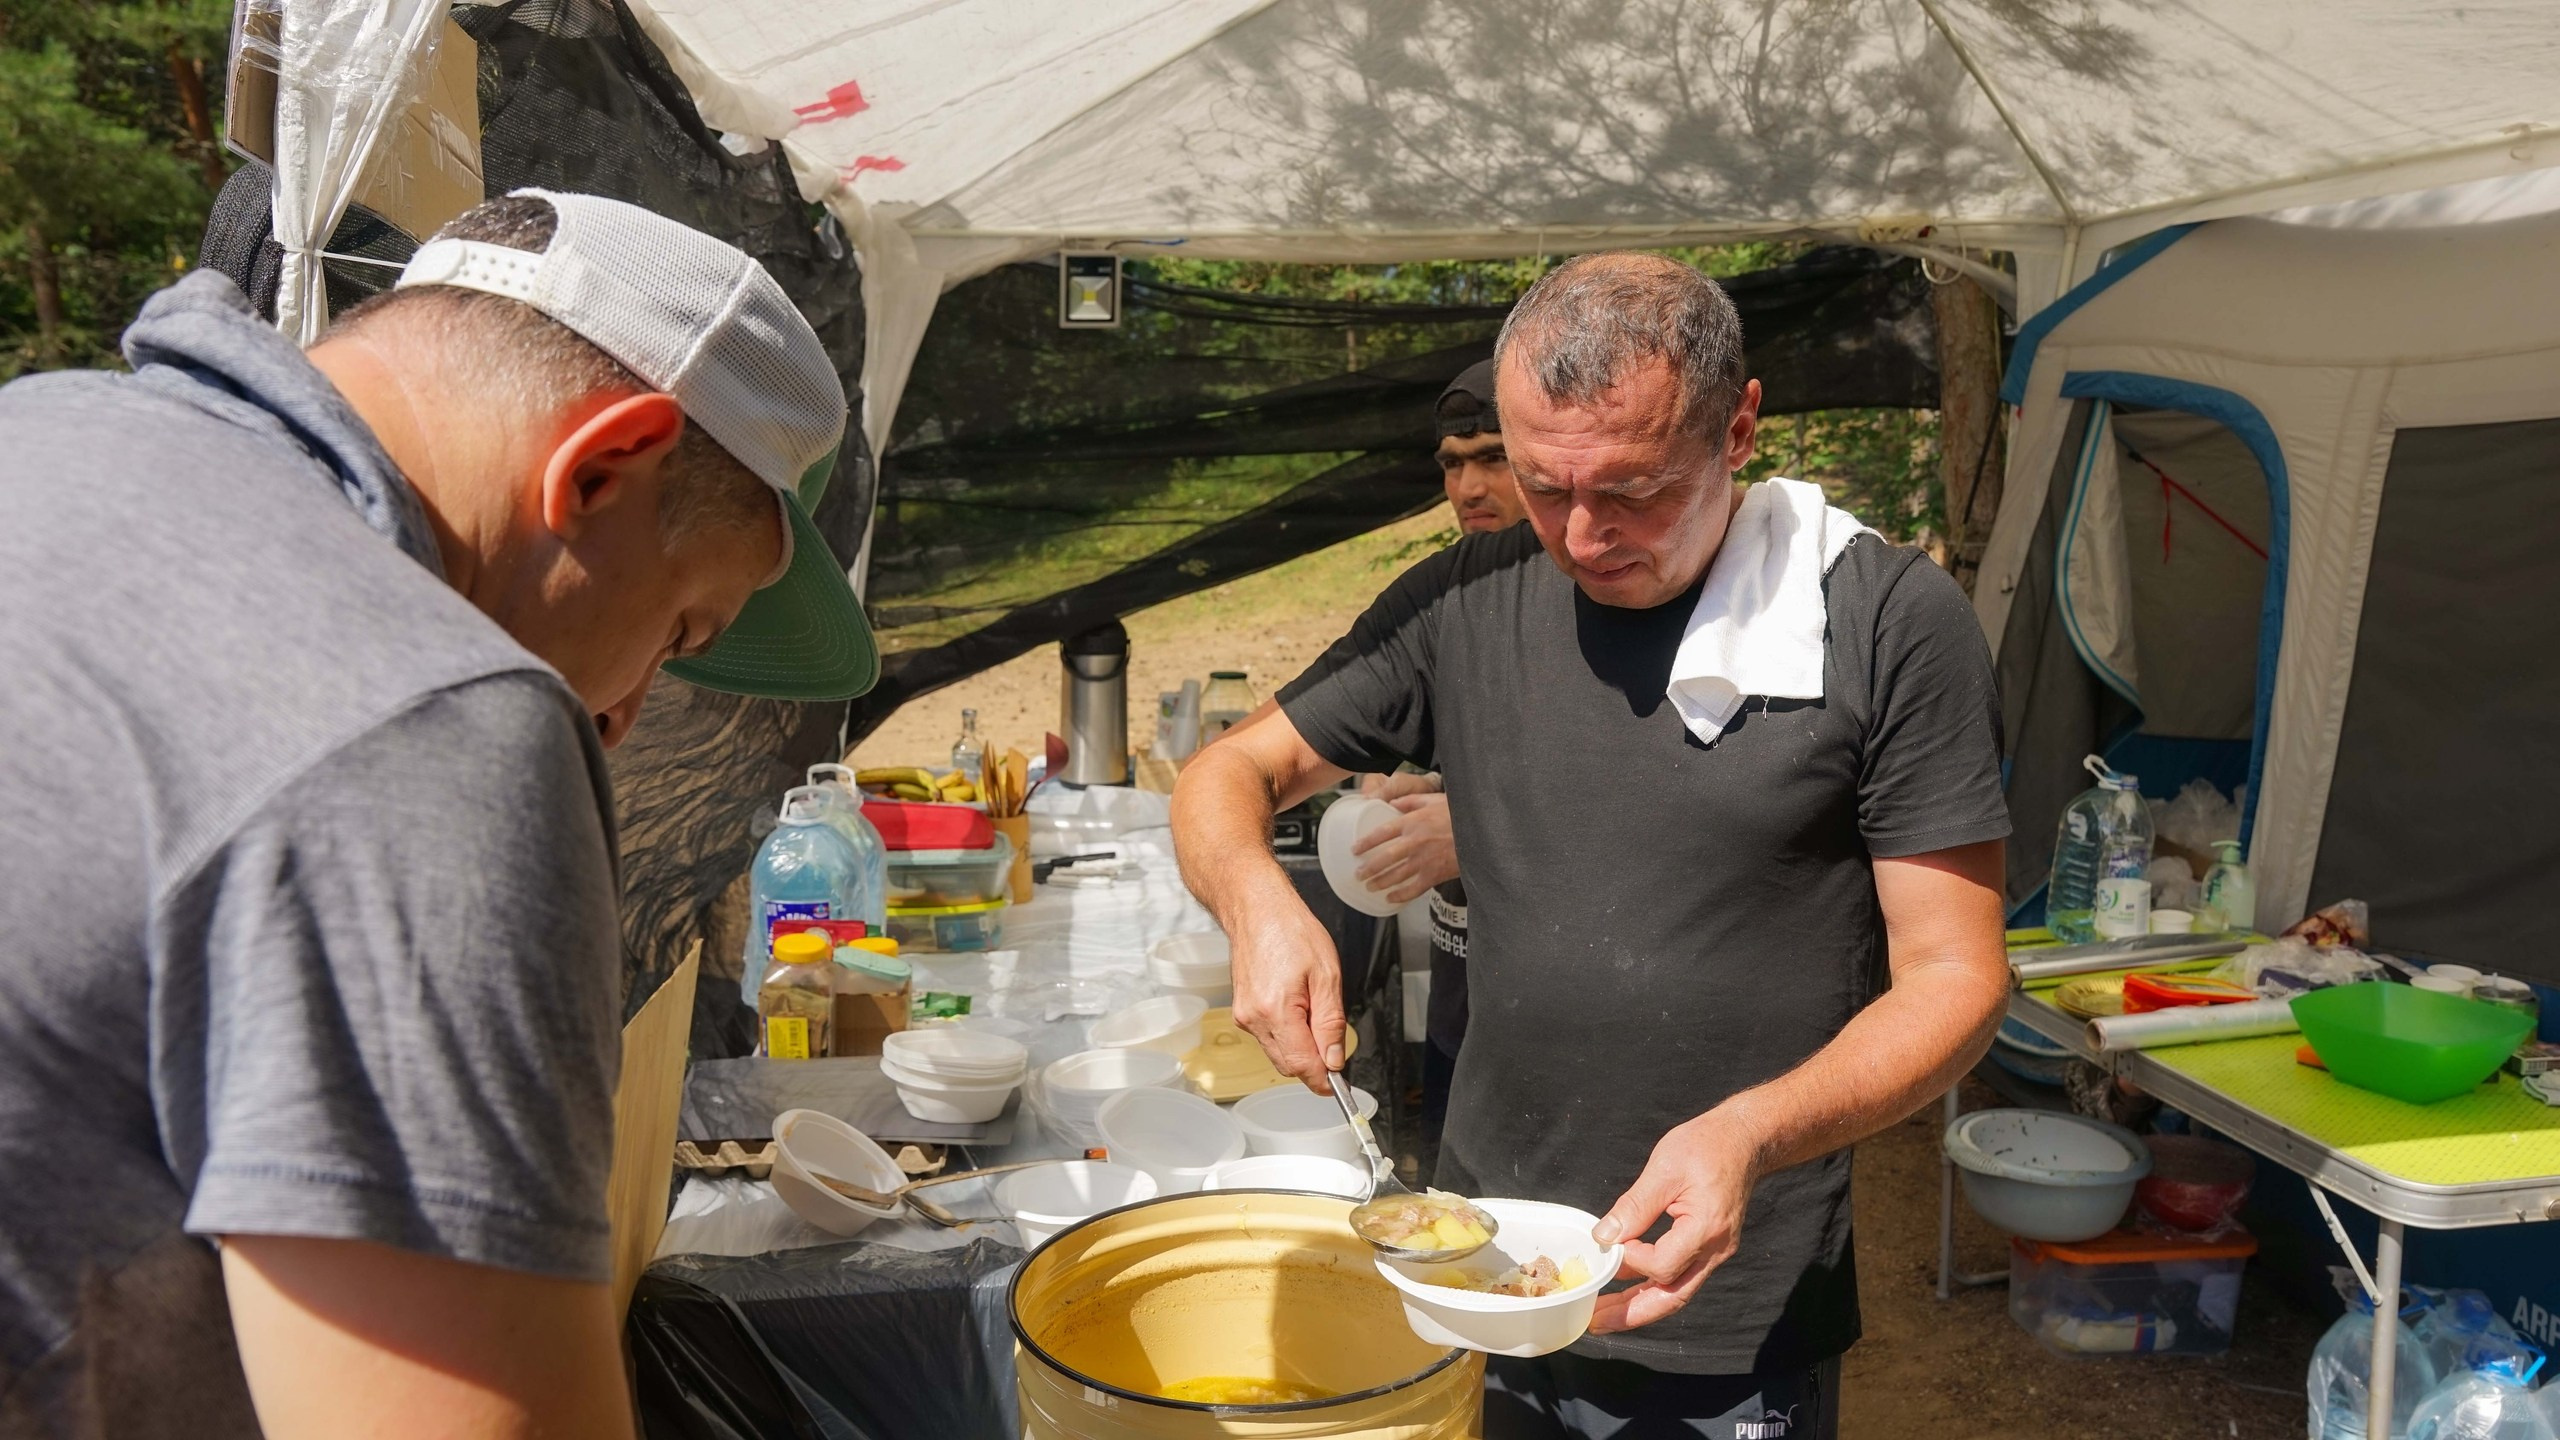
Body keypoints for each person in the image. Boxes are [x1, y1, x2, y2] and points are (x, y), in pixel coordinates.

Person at [0, 190, 874, 1439]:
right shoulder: (423, 717)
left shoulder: (40, 435)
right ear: (604, 467)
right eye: (681, 629)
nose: (625, 714)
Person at [1172, 253, 2010, 1438]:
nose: (1580, 535)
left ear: (1739, 429)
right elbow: (1228, 771)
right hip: (1483, 1252)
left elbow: (1958, 978)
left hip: (1720, 1286)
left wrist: (1750, 1133)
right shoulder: (1470, 594)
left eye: (1631, 489)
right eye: (1539, 482)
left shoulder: (1882, 624)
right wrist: (1256, 900)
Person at [1344, 359, 1528, 1157]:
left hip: (1558, 1036)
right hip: (1462, 1007)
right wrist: (1419, 786)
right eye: (1453, 464)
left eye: (1494, 458)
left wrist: (1474, 831)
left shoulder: (1621, 603)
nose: (1468, 488)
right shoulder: (1453, 604)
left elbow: (1661, 801)